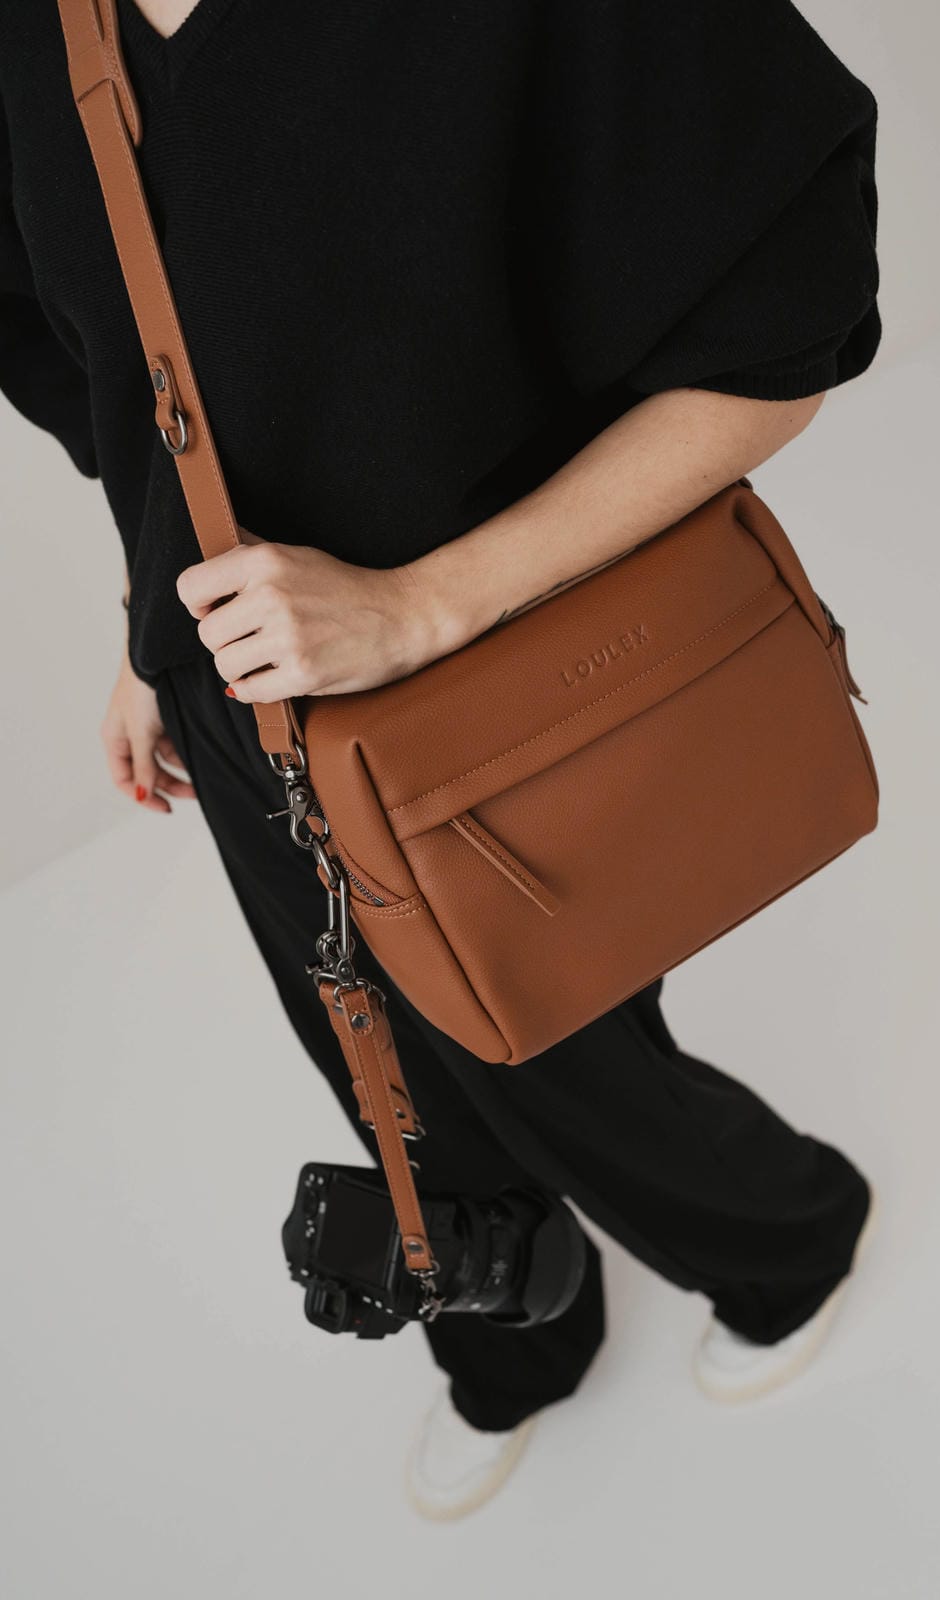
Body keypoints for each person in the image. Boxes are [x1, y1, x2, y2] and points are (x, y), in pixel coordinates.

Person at [1, 0, 882, 1520]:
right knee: (378, 1066)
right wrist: (158, 631)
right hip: (252, 708)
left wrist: (419, 607)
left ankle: (787, 1236)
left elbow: (786, 335)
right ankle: (518, 1351)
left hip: (506, 684)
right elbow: (132, 381)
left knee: (570, 1061)